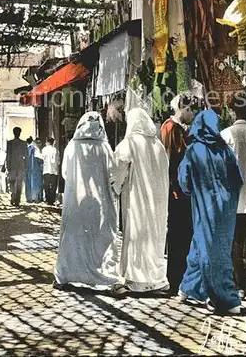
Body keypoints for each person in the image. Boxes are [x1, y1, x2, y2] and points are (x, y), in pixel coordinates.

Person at [178, 110, 243, 315]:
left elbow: (184, 181)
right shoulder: (225, 150)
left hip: (205, 206)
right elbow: (237, 179)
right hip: (227, 208)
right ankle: (189, 287)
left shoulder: (194, 150)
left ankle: (224, 298)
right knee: (208, 244)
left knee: (210, 249)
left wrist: (196, 191)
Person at [54, 112, 119, 290]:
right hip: (100, 202)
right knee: (99, 237)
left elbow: (65, 173)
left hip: (76, 202)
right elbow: (113, 173)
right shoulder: (104, 147)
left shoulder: (72, 146)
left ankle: (69, 273)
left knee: (75, 237)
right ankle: (100, 274)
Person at [112, 108, 169, 295]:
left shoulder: (129, 143)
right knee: (153, 237)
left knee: (137, 235)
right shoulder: (158, 145)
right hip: (158, 202)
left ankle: (136, 280)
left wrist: (116, 188)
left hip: (137, 199)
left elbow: (118, 166)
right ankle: (155, 279)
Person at [161, 94, 196, 295]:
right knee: (177, 236)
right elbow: (172, 161)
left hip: (180, 191)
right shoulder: (171, 128)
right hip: (176, 191)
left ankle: (180, 278)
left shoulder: (178, 129)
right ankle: (175, 280)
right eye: (190, 110)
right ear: (183, 109)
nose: (192, 114)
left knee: (182, 236)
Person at [221, 96, 246, 300]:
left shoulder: (226, 134)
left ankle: (241, 284)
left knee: (237, 242)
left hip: (235, 198)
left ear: (232, 112)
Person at [6, 127, 28, 207]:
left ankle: (13, 196)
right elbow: (26, 155)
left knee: (12, 181)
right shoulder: (24, 143)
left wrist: (7, 165)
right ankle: (17, 199)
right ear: (19, 133)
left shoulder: (9, 143)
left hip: (12, 165)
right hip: (21, 165)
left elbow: (8, 155)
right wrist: (26, 165)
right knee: (19, 182)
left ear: (13, 133)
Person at [25, 137, 43, 203]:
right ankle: (36, 198)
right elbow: (40, 159)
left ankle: (29, 198)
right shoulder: (36, 149)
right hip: (36, 168)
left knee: (29, 182)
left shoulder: (27, 149)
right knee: (36, 182)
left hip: (29, 169)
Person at [42, 137, 60, 205]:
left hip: (46, 170)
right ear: (53, 142)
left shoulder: (44, 149)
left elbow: (42, 158)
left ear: (47, 142)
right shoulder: (56, 150)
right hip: (54, 170)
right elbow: (58, 162)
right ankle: (52, 200)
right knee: (53, 186)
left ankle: (47, 199)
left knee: (46, 185)